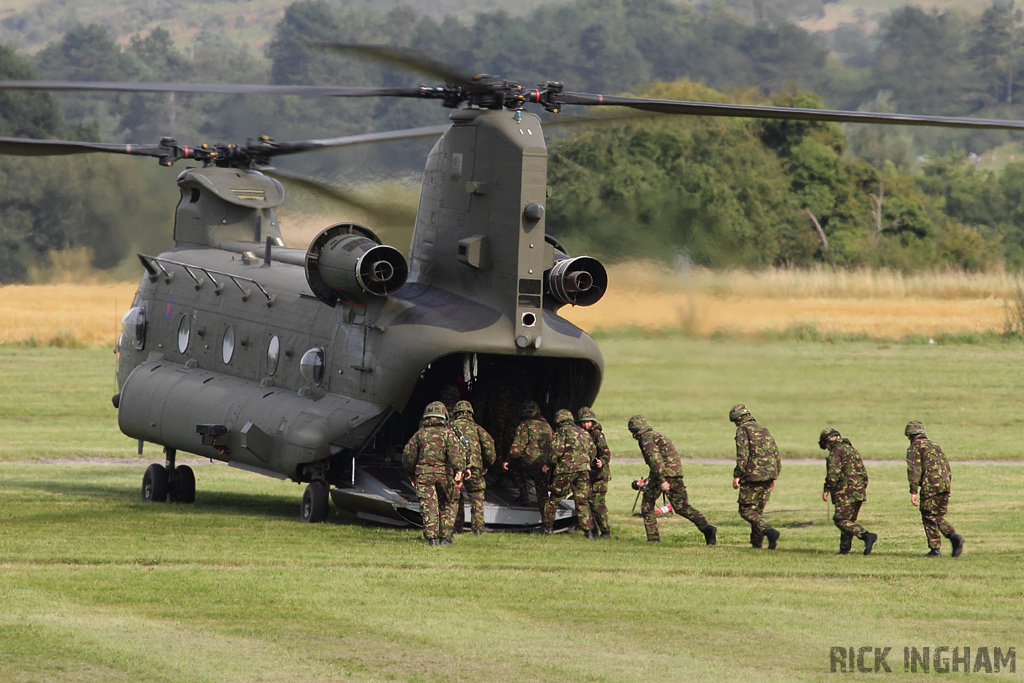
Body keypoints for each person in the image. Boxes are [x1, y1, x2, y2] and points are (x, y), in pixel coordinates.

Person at [628, 415, 716, 545]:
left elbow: (655, 460)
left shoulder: (646, 439)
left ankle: (653, 539)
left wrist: (662, 480)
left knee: (647, 505)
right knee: (681, 506)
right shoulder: (658, 436)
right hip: (676, 473)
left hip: (662, 475)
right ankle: (706, 528)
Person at [402, 401, 466, 546]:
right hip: (445, 474)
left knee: (428, 505)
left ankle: (432, 539)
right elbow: (456, 454)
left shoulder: (419, 435)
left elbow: (408, 456)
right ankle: (445, 537)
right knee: (449, 503)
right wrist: (459, 471)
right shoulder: (449, 435)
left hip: (424, 475)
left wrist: (411, 473)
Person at [905, 421, 964, 557]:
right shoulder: (935, 445)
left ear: (910, 435)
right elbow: (946, 465)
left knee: (928, 515)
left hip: (930, 485)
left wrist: (913, 491)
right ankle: (953, 537)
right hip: (944, 484)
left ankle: (936, 548)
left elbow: (914, 470)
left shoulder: (915, 447)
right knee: (937, 516)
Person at [729, 404, 781, 549]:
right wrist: (774, 475)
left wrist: (737, 475)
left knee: (746, 509)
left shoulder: (743, 430)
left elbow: (743, 455)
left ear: (738, 419)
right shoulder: (763, 428)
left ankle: (770, 532)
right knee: (757, 511)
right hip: (769, 474)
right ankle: (757, 543)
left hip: (753, 475)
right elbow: (775, 452)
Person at [819, 428, 877, 555]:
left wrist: (827, 489)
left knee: (840, 520)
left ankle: (866, 535)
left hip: (845, 492)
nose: (827, 448)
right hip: (859, 491)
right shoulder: (852, 450)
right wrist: (861, 488)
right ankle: (844, 549)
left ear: (828, 442)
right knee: (849, 521)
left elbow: (833, 475)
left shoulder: (836, 452)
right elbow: (863, 473)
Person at [541, 409, 595, 536]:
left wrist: (548, 464)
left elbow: (555, 452)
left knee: (554, 499)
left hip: (566, 470)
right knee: (582, 500)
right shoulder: (584, 433)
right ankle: (588, 532)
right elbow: (592, 452)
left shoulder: (561, 432)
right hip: (583, 470)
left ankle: (547, 528)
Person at [451, 399, 497, 535]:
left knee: (456, 497)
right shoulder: (477, 429)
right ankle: (477, 530)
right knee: (476, 497)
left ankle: (457, 526)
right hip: (475, 467)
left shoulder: (450, 427)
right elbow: (490, 448)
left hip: (456, 468)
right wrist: (486, 465)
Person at [502, 400, 553, 515]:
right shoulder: (547, 426)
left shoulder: (524, 426)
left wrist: (507, 461)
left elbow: (516, 450)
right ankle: (546, 517)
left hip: (529, 463)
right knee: (542, 490)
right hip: (545, 464)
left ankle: (524, 494)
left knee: (515, 465)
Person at [578, 406, 612, 539]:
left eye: (588, 422)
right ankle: (594, 530)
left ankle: (605, 531)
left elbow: (606, 452)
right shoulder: (581, 434)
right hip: (589, 474)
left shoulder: (597, 435)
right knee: (589, 503)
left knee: (597, 504)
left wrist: (602, 462)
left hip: (599, 475)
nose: (586, 424)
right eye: (583, 422)